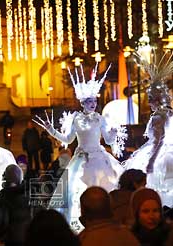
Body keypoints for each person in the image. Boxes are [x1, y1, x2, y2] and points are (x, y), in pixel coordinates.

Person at [33, 64, 125, 232]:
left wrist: (113, 132)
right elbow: (67, 139)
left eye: (95, 101)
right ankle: (78, 223)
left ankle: (105, 219)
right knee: (75, 190)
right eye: (90, 101)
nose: (93, 104)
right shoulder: (75, 119)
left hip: (98, 157)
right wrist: (51, 130)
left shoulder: (100, 118)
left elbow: (109, 140)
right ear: (83, 102)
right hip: (81, 158)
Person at [124, 51, 173, 206]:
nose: (150, 103)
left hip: (159, 154)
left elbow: (161, 140)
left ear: (157, 99)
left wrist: (152, 161)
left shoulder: (160, 116)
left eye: (151, 100)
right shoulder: (169, 113)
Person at [0, 164, 32, 246]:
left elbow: (3, 220)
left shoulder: (4, 196)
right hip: (27, 235)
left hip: (11, 237)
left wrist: (1, 235)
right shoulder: (28, 193)